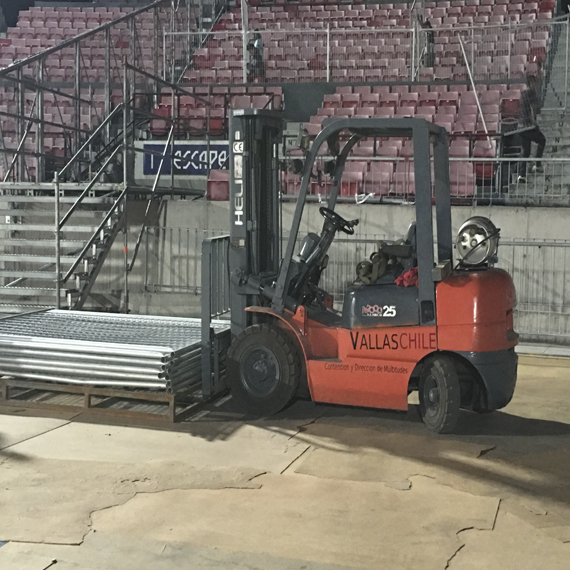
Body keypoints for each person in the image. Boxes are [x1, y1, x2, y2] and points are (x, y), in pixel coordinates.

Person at [517, 74, 546, 182]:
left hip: (521, 126)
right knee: (542, 140)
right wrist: (534, 122)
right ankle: (538, 165)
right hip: (528, 125)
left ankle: (521, 175)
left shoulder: (523, 93)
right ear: (532, 83)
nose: (536, 85)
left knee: (526, 151)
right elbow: (532, 108)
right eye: (535, 82)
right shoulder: (532, 93)